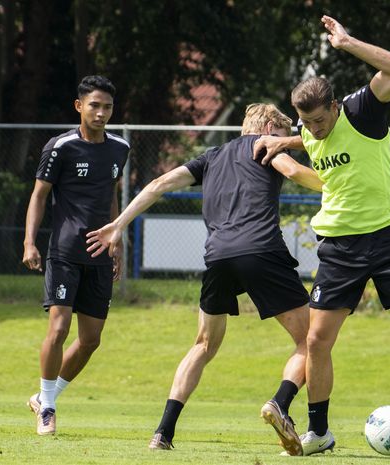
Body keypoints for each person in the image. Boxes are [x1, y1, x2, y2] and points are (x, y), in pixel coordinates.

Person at [86, 103, 323, 455]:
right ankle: (280, 404)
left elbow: (159, 184)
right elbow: (295, 170)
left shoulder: (211, 156)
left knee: (203, 345)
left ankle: (163, 433)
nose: (283, 140)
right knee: (311, 341)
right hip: (261, 251)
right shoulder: (267, 146)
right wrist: (338, 186)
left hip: (218, 256)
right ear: (270, 127)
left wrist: (118, 225)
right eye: (282, 133)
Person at [253, 15, 390, 458]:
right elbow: (313, 142)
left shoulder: (361, 111)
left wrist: (348, 42)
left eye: (319, 120)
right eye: (306, 123)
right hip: (341, 247)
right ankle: (317, 432)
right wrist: (285, 144)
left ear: (335, 106)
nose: (314, 130)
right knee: (317, 341)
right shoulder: (307, 132)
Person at [22, 75, 130, 436]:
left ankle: (43, 396)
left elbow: (112, 196)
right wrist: (29, 243)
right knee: (59, 328)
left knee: (91, 340)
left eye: (108, 107)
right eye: (95, 105)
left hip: (100, 254)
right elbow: (39, 196)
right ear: (79, 106)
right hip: (65, 252)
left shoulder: (119, 148)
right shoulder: (60, 147)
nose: (101, 113)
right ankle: (48, 408)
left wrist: (117, 241)